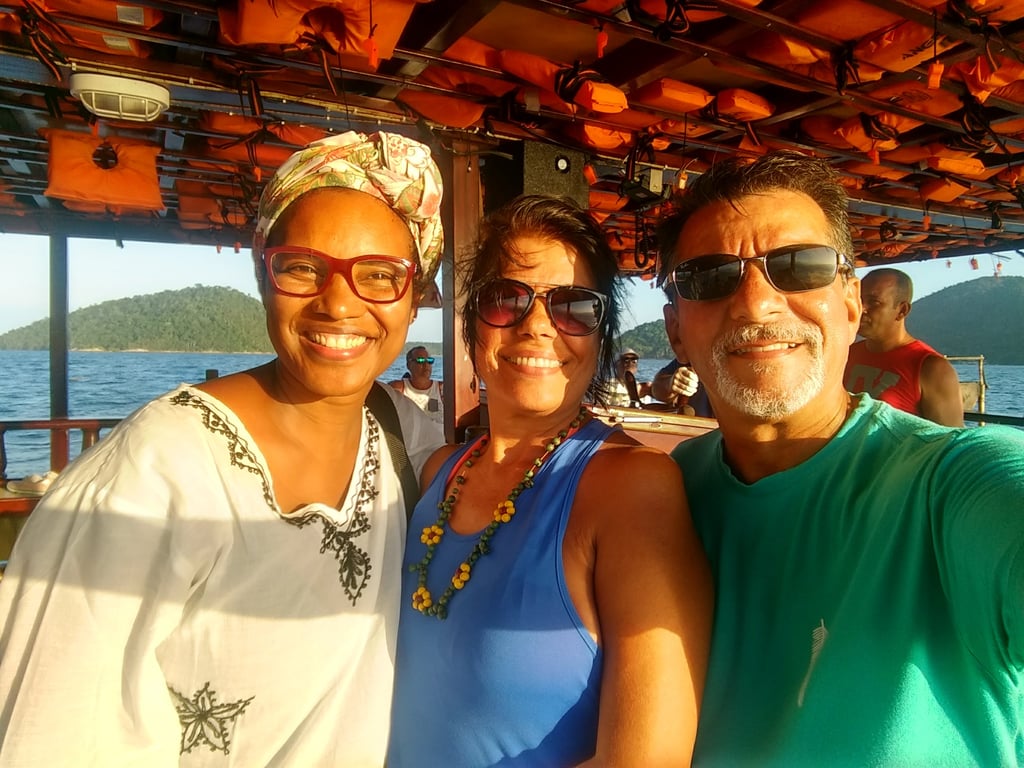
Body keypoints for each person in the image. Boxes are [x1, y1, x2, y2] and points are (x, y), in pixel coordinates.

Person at [0, 131, 447, 766]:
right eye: (302, 267)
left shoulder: (406, 436)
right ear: (263, 276)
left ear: (413, 299)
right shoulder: (154, 474)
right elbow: (48, 732)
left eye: (380, 275)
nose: (339, 302)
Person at [657, 150, 1024, 767]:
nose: (756, 304)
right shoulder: (662, 496)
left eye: (800, 267)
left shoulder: (951, 486)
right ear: (675, 332)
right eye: (711, 276)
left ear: (851, 305)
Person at [388, 195, 713, 767]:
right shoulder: (442, 471)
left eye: (574, 307)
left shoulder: (631, 487)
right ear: (472, 326)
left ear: (600, 335)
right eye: (506, 299)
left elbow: (646, 759)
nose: (537, 325)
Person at [844, 267, 964, 427]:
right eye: (859, 300)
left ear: (902, 310)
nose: (861, 309)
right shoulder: (846, 353)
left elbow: (948, 438)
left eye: (874, 302)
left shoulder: (931, 368)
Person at [390, 344, 444, 428]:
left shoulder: (442, 389)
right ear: (409, 365)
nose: (426, 365)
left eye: (429, 361)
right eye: (420, 360)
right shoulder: (398, 388)